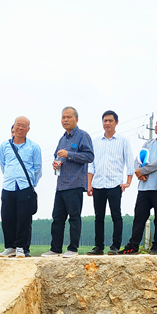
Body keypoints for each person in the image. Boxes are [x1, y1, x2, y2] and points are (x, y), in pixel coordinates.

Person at [120, 113, 157, 255]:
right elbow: (137, 160)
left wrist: (142, 171)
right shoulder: (148, 143)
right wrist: (137, 171)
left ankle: (156, 246)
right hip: (145, 187)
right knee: (139, 217)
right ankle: (133, 246)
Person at [42, 107, 95, 258]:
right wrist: (55, 163)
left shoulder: (83, 136)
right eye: (63, 117)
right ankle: (55, 248)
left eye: (69, 117)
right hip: (61, 184)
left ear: (76, 119)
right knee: (57, 218)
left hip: (75, 183)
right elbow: (58, 157)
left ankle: (72, 248)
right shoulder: (62, 139)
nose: (65, 120)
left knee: (74, 217)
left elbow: (89, 156)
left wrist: (69, 154)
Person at [87, 110, 133, 255]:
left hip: (115, 184)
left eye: (110, 121)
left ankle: (115, 246)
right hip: (98, 183)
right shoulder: (95, 141)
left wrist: (128, 182)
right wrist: (89, 184)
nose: (107, 123)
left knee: (116, 215)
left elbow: (129, 161)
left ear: (116, 122)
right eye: (105, 121)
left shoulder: (123, 140)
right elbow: (91, 164)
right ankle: (98, 246)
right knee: (98, 217)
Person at [0, 116, 42, 258]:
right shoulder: (4, 145)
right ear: (14, 126)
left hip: (25, 186)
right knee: (7, 217)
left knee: (24, 218)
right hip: (9, 185)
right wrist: (10, 176)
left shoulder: (34, 147)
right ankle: (9, 246)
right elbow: (3, 165)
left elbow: (37, 168)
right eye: (18, 125)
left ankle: (21, 247)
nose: (20, 128)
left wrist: (30, 182)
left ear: (28, 129)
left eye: (24, 126)